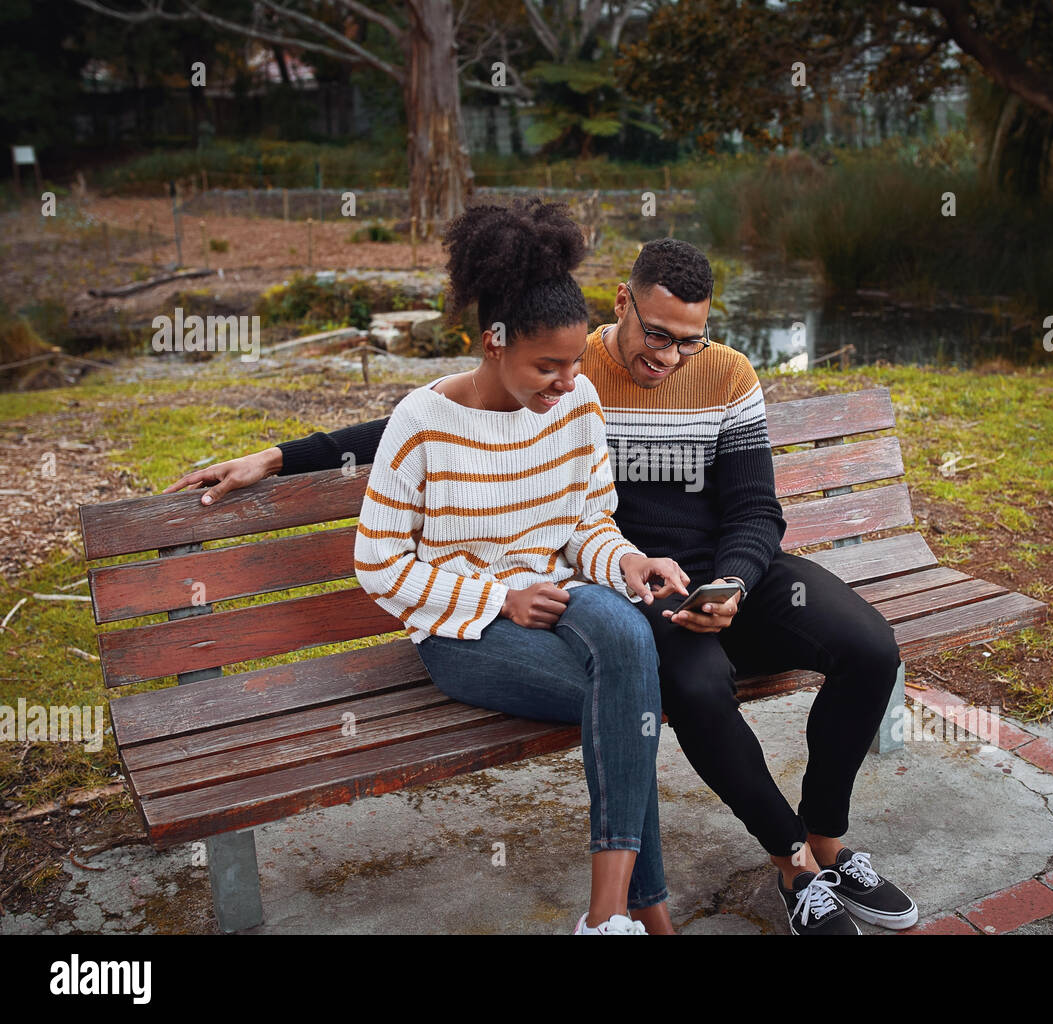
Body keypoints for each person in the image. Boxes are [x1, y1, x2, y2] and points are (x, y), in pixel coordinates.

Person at [166, 236, 917, 936]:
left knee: (855, 648)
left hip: (688, 573)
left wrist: (711, 576)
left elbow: (724, 509)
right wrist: (278, 456)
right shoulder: (564, 364)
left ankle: (816, 847)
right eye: (657, 334)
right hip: (559, 596)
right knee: (662, 690)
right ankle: (729, 884)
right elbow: (431, 420)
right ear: (621, 303)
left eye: (691, 340)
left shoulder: (681, 378)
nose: (672, 356)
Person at [352, 198, 688, 934]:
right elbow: (377, 565)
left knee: (630, 645)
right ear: (492, 344)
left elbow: (584, 524)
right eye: (548, 366)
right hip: (463, 632)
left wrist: (626, 559)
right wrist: (496, 597)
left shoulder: (578, 404)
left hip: (565, 601)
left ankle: (605, 919)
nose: (568, 382)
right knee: (629, 705)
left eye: (574, 363)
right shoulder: (422, 424)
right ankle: (650, 914)